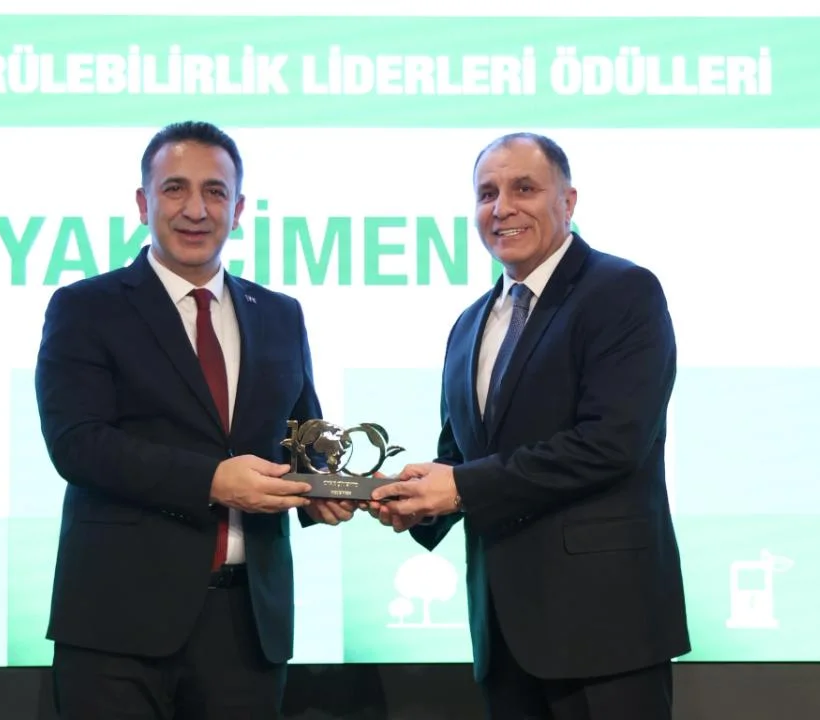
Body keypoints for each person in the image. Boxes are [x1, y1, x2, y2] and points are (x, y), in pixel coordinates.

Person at [34, 120, 355, 720]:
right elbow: (77, 444)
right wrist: (212, 480)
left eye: (215, 192)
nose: (195, 209)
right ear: (143, 203)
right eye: (175, 188)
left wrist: (328, 490)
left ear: (238, 210)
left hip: (247, 627)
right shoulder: (86, 307)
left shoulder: (280, 314)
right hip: (117, 624)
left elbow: (303, 440)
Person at [369, 132, 690, 719]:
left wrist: (460, 487)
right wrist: (416, 500)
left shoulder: (622, 291)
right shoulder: (469, 324)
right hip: (503, 632)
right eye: (486, 193)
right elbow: (462, 459)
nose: (502, 208)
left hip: (605, 630)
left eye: (524, 188)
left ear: (568, 201)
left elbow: (610, 443)